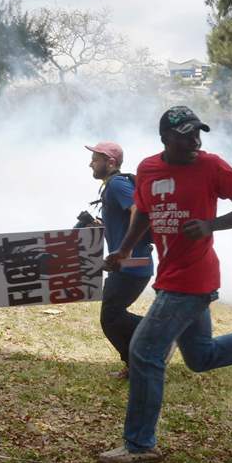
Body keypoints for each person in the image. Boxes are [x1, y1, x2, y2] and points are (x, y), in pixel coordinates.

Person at [99, 106, 232, 463]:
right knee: (201, 357)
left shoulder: (211, 165)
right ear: (166, 138)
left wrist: (211, 225)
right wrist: (123, 249)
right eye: (186, 135)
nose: (195, 141)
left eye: (197, 134)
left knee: (143, 352)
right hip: (171, 275)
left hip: (192, 277)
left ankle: (139, 445)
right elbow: (144, 212)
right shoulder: (148, 169)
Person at [86, 141, 154, 380]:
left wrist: (125, 250)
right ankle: (135, 364)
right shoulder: (111, 187)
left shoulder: (117, 184)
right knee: (113, 316)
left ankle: (159, 334)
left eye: (95, 160)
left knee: (111, 317)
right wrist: (101, 227)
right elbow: (124, 221)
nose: (91, 164)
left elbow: (138, 211)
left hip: (132, 265)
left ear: (110, 162)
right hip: (126, 265)